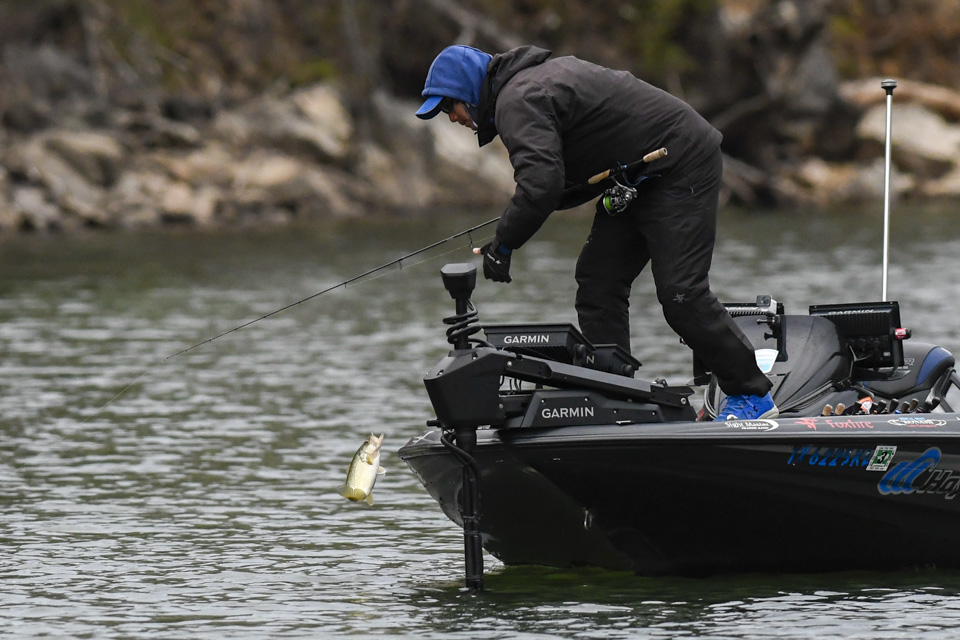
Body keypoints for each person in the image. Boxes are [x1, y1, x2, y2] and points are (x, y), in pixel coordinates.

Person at [415, 44, 777, 421]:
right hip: (638, 177)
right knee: (598, 283)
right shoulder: (525, 92)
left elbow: (541, 185)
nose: (451, 118)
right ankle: (619, 398)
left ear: (469, 92)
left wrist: (504, 245)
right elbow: (557, 181)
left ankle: (752, 395)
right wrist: (506, 234)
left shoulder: (517, 100)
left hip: (681, 162)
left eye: (449, 106)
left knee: (681, 294)